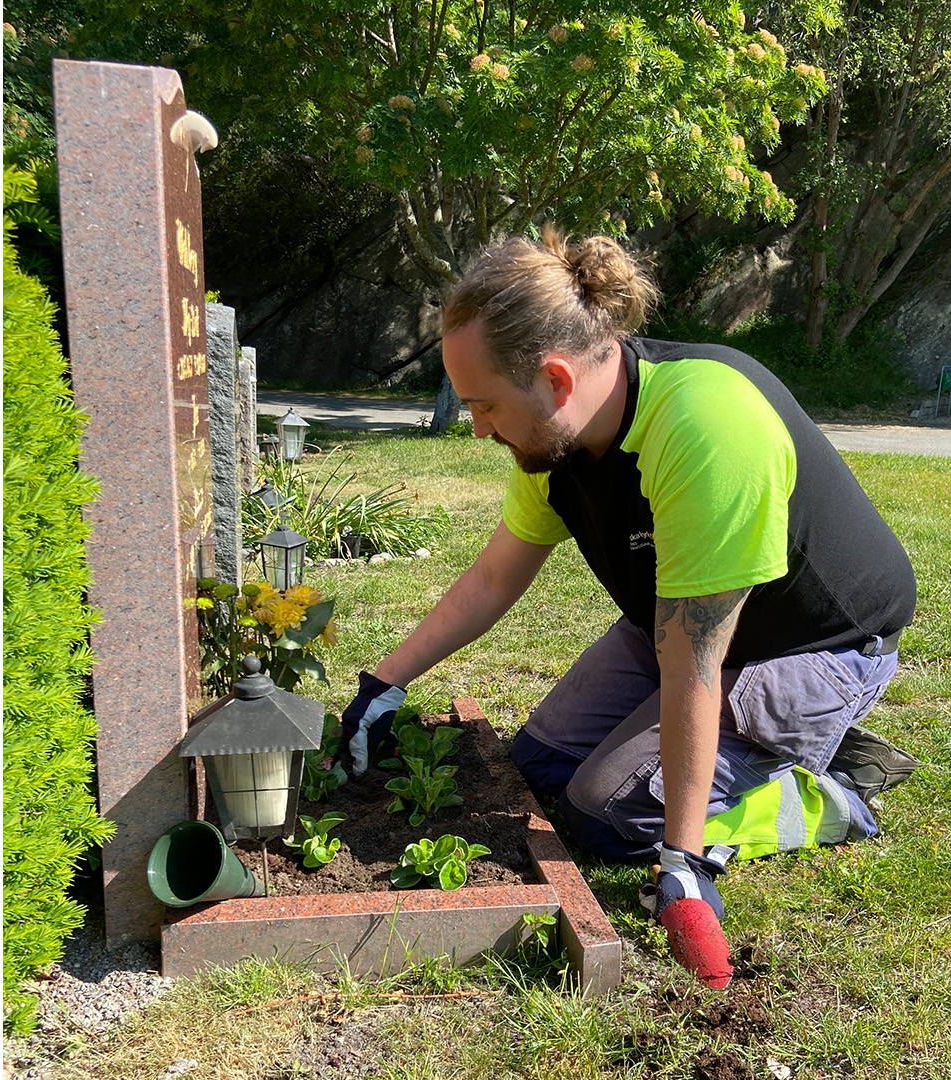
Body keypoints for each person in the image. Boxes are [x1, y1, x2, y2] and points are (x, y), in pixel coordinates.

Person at [333, 228, 918, 988]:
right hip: (678, 622)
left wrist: (682, 859)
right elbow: (491, 579)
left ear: (555, 379)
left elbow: (696, 662)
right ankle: (758, 757)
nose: (477, 427)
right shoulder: (551, 442)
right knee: (536, 770)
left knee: (606, 816)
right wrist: (384, 684)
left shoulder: (704, 425)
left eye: (485, 405)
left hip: (811, 645)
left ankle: (827, 792)